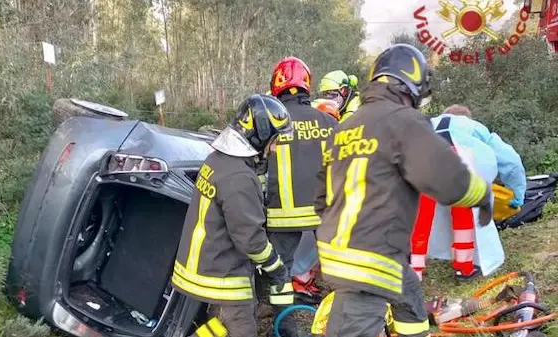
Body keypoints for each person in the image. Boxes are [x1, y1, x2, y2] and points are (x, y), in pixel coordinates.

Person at [313, 43, 494, 337]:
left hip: (345, 252)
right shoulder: (403, 121)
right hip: (370, 261)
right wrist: (482, 193)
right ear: (411, 86)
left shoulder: (343, 129)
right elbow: (446, 177)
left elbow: (320, 199)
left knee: (409, 295)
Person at [172, 94, 295, 337]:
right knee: (242, 329)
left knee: (218, 328)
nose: (275, 148)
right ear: (259, 135)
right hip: (222, 277)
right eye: (275, 141)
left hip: (204, 267)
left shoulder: (218, 161)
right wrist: (276, 267)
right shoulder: (239, 176)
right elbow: (250, 238)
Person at [411, 104, 526, 281]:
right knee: (462, 215)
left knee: (422, 218)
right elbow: (511, 161)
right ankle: (463, 268)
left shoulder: (428, 124)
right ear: (466, 117)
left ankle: (415, 270)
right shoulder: (473, 126)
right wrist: (518, 193)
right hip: (458, 167)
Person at [266, 56, 338, 305]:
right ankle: (345, 316)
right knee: (340, 268)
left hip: (281, 216)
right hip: (324, 213)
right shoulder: (330, 122)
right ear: (307, 84)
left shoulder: (272, 123)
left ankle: (283, 327)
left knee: (280, 273)